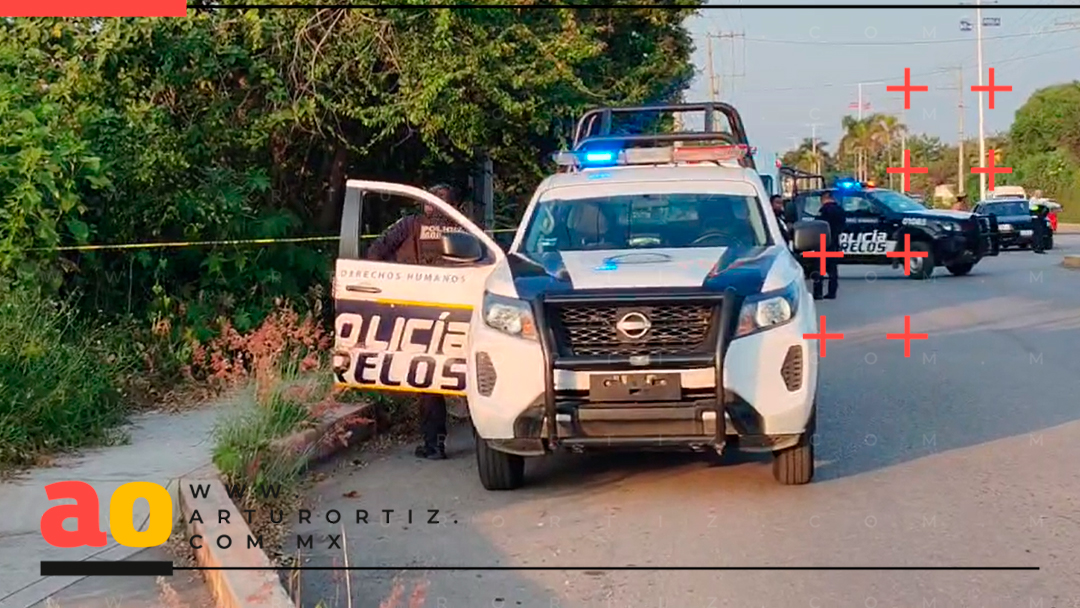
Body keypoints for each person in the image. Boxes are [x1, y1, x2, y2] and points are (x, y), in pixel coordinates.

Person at [367, 183, 464, 460]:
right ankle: (488, 442)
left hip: (418, 312)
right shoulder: (467, 230)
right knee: (471, 377)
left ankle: (434, 444)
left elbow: (375, 252)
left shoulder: (409, 226)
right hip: (459, 311)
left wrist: (392, 283)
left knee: (427, 377)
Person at [812, 191, 846, 300]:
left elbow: (818, 225)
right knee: (833, 270)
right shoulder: (840, 210)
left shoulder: (824, 210)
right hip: (834, 242)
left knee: (819, 269)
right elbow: (842, 226)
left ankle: (818, 293)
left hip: (822, 243)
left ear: (825, 198)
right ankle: (832, 292)